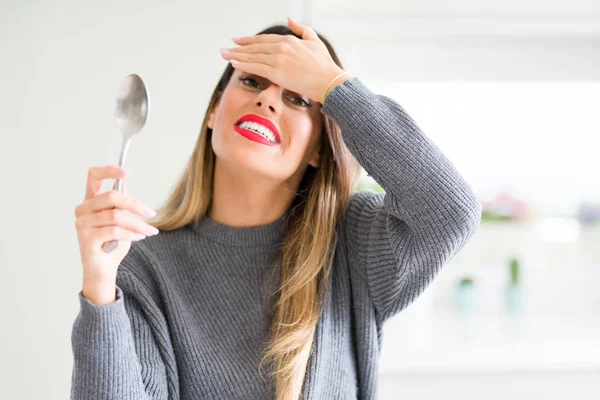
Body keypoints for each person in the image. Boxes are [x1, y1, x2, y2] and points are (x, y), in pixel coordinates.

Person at [71, 18, 481, 400]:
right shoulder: (144, 265)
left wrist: (334, 85)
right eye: (251, 81)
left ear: (320, 148)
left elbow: (451, 211)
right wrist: (100, 289)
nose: (267, 99)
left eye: (298, 99)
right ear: (214, 111)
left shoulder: (354, 241)